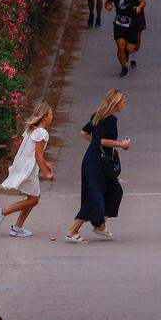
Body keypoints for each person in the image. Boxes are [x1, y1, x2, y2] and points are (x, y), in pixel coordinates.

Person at [66, 90, 130, 243]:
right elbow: (104, 141)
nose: (125, 104)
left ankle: (100, 225)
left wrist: (95, 143)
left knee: (115, 191)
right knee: (94, 197)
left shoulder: (98, 115)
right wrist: (122, 144)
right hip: (98, 163)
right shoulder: (111, 119)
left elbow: (84, 132)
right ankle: (72, 231)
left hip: (92, 159)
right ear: (116, 103)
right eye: (123, 101)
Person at [0, 101, 55, 237]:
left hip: (23, 166)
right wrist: (46, 172)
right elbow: (37, 155)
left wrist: (46, 164)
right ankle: (1, 213)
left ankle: (17, 227)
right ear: (45, 116)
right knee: (34, 199)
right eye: (51, 114)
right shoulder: (42, 133)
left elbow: (33, 152)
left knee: (32, 198)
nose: (52, 117)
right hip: (29, 169)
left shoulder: (32, 129)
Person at [105, 0, 146, 78]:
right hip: (119, 24)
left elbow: (143, 1)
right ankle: (124, 68)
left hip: (132, 24)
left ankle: (126, 53)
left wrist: (139, 7)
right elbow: (107, 3)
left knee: (130, 49)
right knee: (120, 45)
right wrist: (108, 6)